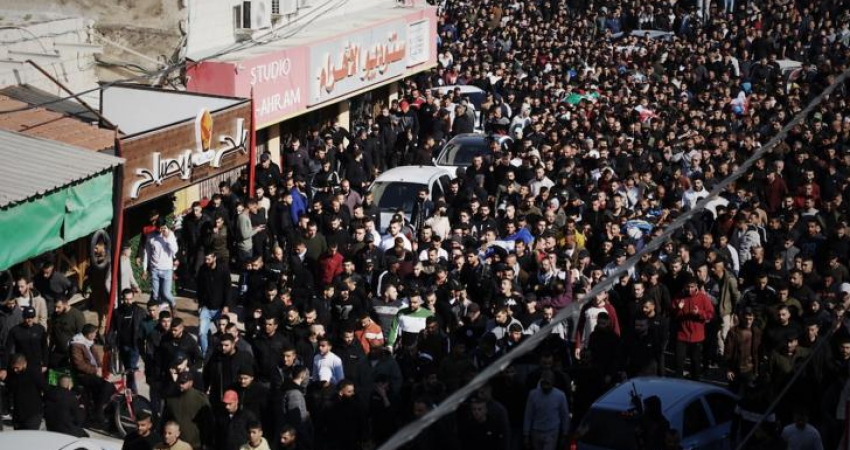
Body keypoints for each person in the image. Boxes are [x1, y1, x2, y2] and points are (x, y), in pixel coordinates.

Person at [69, 323, 115, 427]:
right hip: (83, 375)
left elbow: (96, 358)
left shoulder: (90, 343)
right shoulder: (76, 345)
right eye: (94, 333)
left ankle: (98, 408)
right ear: (88, 334)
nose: (95, 335)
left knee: (110, 387)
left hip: (93, 373)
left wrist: (101, 368)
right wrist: (95, 370)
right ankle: (98, 411)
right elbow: (79, 364)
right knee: (107, 386)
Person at [673, 275, 715, 380]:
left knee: (695, 363)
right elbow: (672, 315)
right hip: (682, 335)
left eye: (692, 287)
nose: (690, 289)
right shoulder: (679, 296)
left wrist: (699, 313)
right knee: (678, 362)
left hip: (697, 336)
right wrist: (678, 309)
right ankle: (677, 383)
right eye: (688, 287)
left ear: (696, 286)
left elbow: (710, 314)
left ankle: (695, 382)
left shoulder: (703, 297)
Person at [163, 371, 214, 450]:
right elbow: (165, 419)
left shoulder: (200, 399)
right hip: (175, 444)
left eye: (183, 382)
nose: (180, 385)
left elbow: (208, 423)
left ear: (191, 382)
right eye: (179, 382)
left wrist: (206, 442)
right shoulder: (171, 399)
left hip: (195, 444)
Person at [196, 250, 233, 355]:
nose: (206, 261)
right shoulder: (203, 269)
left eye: (209, 259)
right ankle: (206, 354)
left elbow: (228, 288)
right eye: (205, 259)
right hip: (206, 308)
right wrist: (200, 304)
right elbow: (199, 287)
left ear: (214, 258)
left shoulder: (223, 269)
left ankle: (223, 352)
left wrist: (226, 305)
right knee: (201, 333)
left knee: (224, 333)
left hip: (219, 308)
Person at [523, 371, 570, 450]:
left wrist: (565, 434)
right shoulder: (533, 394)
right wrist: (526, 434)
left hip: (552, 431)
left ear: (553, 382)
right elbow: (528, 415)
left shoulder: (560, 395)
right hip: (536, 431)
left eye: (547, 383)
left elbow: (564, 415)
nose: (545, 386)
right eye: (543, 382)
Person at [112, 288, 146, 393]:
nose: (128, 301)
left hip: (135, 345)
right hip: (122, 344)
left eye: (130, 299)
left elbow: (145, 327)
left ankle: (133, 391)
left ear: (133, 298)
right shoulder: (117, 312)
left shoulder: (140, 311)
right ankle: (130, 391)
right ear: (122, 299)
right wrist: (110, 343)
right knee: (128, 368)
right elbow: (112, 328)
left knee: (131, 368)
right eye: (126, 299)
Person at [143, 218, 180, 309]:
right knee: (155, 294)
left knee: (166, 293)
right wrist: (145, 268)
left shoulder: (170, 235)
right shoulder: (150, 236)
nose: (160, 230)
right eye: (158, 228)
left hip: (167, 269)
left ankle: (173, 305)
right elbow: (147, 253)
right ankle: (156, 312)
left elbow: (175, 250)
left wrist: (167, 238)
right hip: (154, 268)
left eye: (162, 228)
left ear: (165, 226)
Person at [4, 353, 45, 429]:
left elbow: (45, 388)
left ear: (24, 363)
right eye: (13, 368)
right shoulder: (13, 373)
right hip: (18, 415)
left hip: (32, 414)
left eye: (17, 367)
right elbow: (9, 388)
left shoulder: (34, 373)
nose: (15, 370)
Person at [43, 373, 87, 437]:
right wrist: (81, 409)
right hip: (66, 431)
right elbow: (79, 420)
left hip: (51, 428)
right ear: (69, 385)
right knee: (86, 436)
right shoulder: (71, 397)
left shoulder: (48, 393)